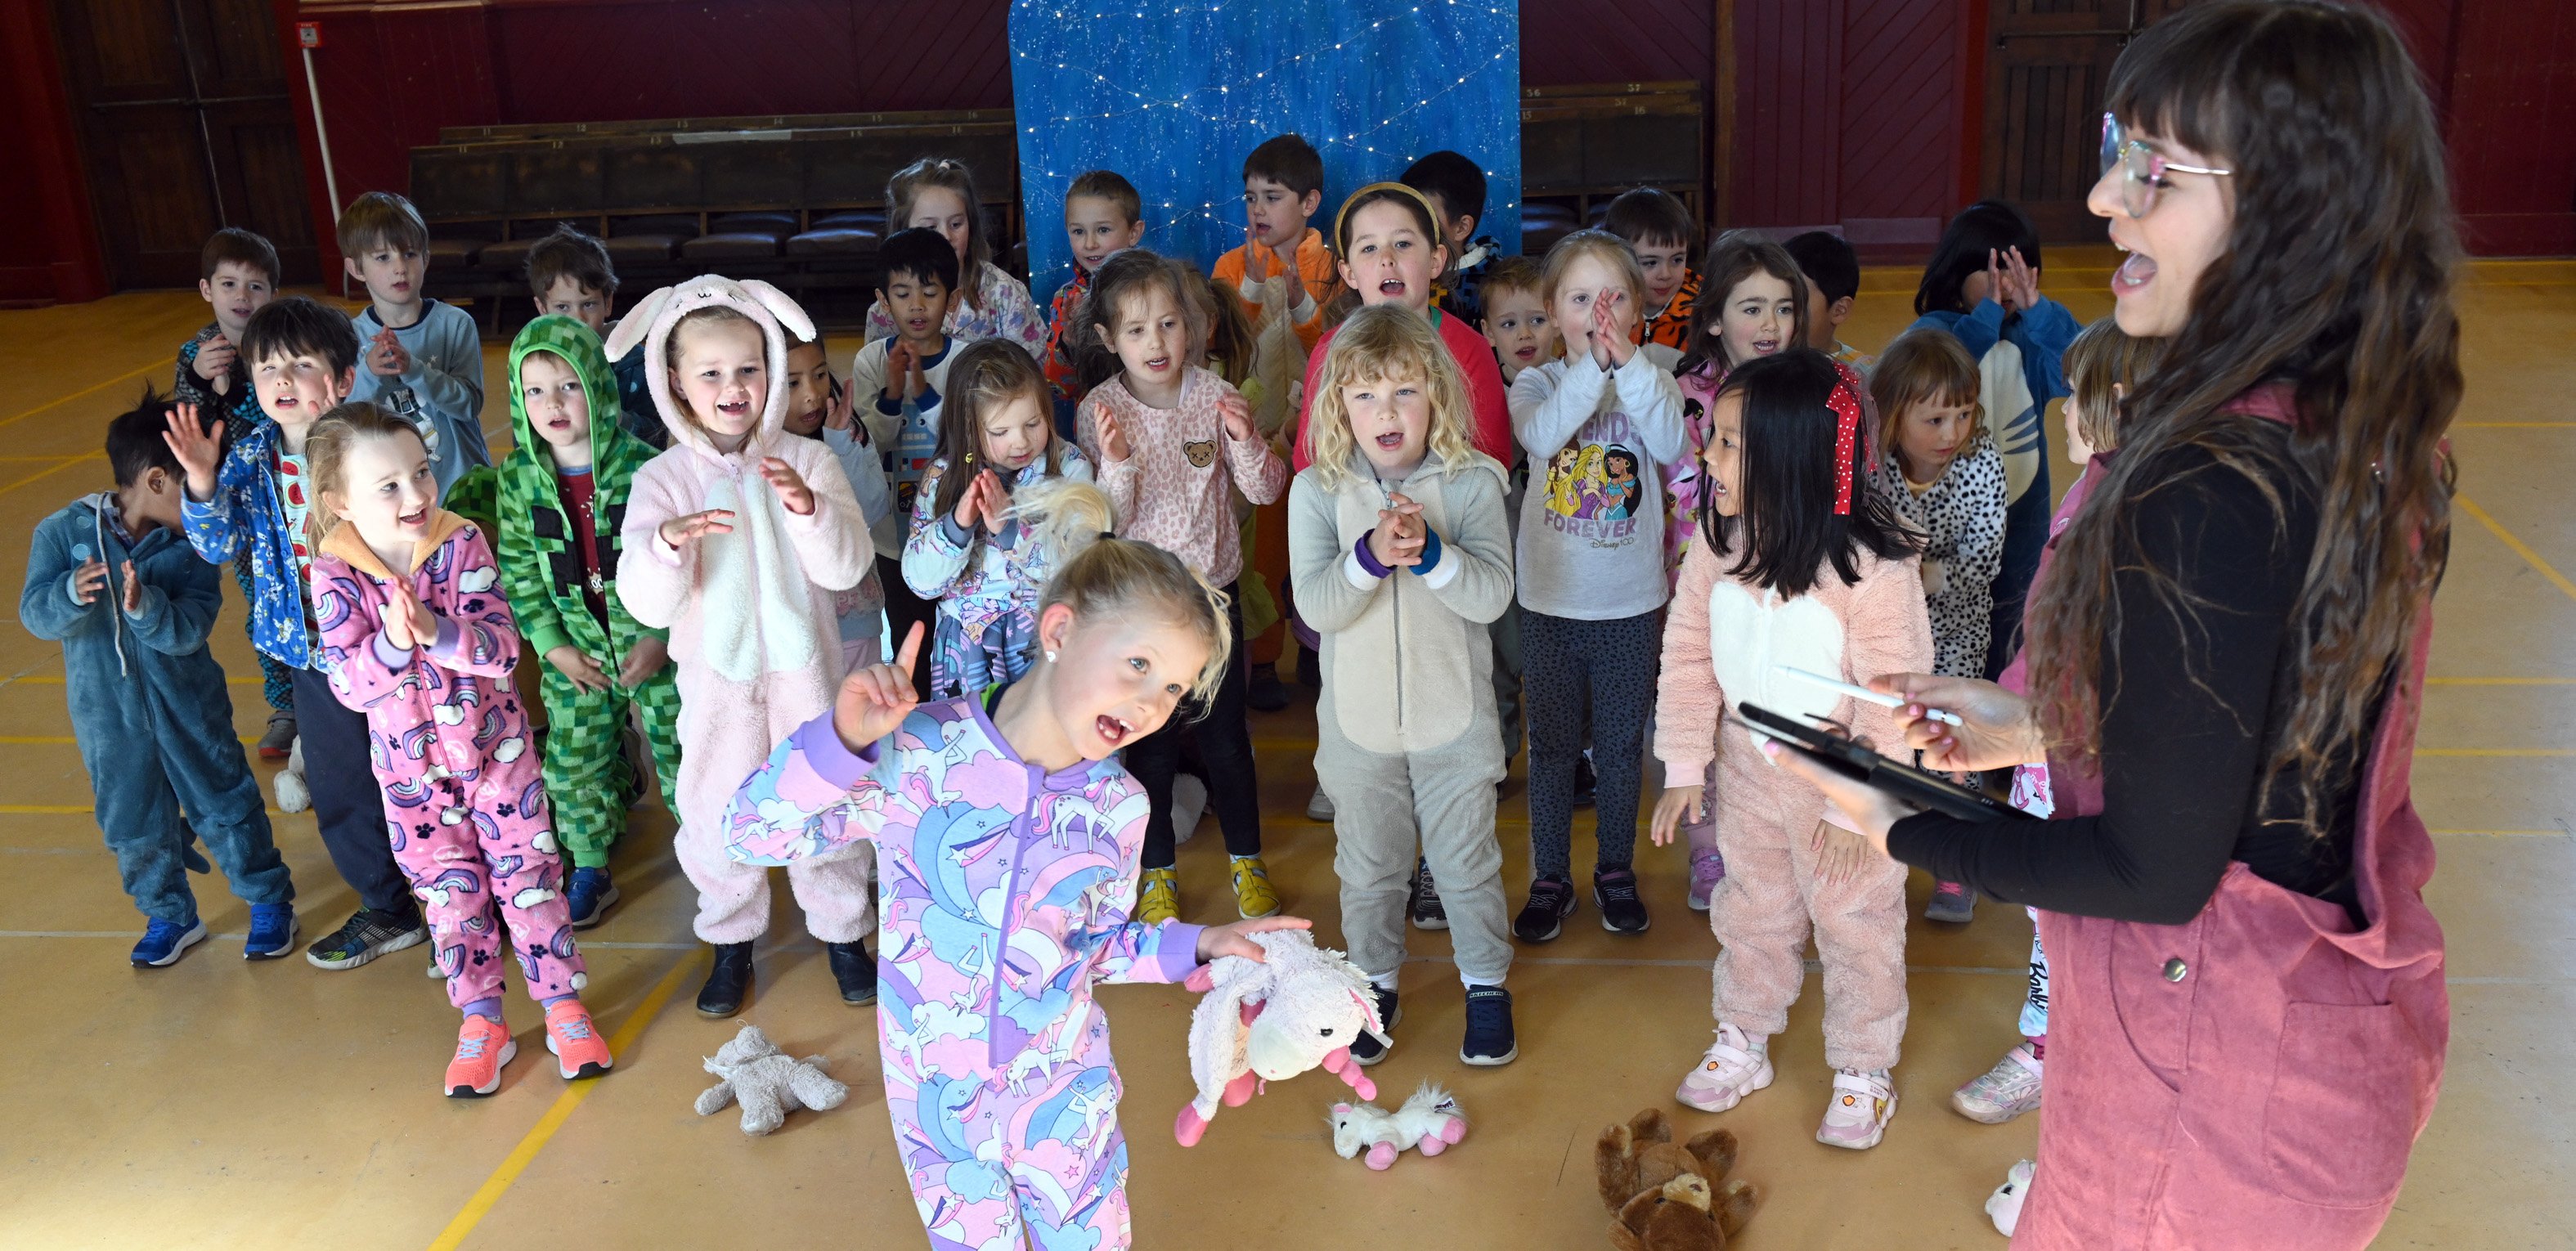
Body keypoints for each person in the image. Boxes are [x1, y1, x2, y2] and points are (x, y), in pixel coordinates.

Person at [1777, 4, 2458, 1242]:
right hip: (2297, 1059)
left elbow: (2154, 872)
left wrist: (1902, 825)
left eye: (2154, 167)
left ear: (2290, 208)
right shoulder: (2349, 424)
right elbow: (2261, 720)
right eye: (2115, 146)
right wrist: (2033, 719)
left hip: (2205, 1103)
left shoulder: (2211, 485)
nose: (2102, 197)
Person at [725, 538, 1307, 1251]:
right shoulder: (920, 752)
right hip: (940, 1117)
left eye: (1174, 688)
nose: (1153, 703)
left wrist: (1200, 944)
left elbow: (1098, 947)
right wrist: (842, 741)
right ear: (1059, 631)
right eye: (1139, 665)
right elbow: (750, 833)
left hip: (1065, 1109)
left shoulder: (1120, 808)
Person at [1651, 350, 1930, 1150]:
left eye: (1731, 442)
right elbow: (1690, 654)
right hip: (1748, 770)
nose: (1708, 453)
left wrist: (1863, 810)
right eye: (1714, 436)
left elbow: (1897, 703)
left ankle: (1862, 1068)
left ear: (1792, 457)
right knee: (1755, 910)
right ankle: (1744, 1036)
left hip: (1840, 788)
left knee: (1858, 922)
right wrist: (1683, 766)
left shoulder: (1872, 573)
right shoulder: (1719, 544)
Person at [298, 401, 613, 1096]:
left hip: (498, 758)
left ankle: (562, 1004)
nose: (415, 496)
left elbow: (502, 649)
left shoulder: (461, 541)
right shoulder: (334, 572)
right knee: (449, 896)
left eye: (421, 473)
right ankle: (481, 1019)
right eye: (389, 486)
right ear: (339, 502)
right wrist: (391, 640)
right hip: (413, 780)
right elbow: (349, 684)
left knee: (530, 877)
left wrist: (436, 629)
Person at [608, 276, 878, 1018]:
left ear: (772, 367)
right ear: (676, 384)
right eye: (712, 373)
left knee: (826, 799)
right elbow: (645, 602)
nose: (734, 386)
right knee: (715, 807)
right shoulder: (661, 480)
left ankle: (845, 932)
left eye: (750, 368)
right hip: (719, 687)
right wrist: (664, 548)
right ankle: (730, 940)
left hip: (808, 682)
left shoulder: (809, 459)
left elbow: (847, 566)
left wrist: (808, 510)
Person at [170, 297, 429, 971]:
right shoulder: (249, 457)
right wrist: (201, 484)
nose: (282, 381)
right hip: (311, 657)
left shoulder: (373, 448)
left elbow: (421, 523)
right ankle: (391, 907)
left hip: (393, 647)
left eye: (301, 365)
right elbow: (217, 542)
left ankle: (457, 898)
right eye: (267, 369)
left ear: (342, 380)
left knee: (422, 773)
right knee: (344, 788)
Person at [1291, 303, 1519, 1068]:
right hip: (1358, 731)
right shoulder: (1315, 493)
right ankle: (1374, 984)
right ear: (1337, 408)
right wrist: (1368, 554)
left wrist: (1429, 555)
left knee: (1464, 865)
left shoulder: (1476, 483)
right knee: (1368, 868)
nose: (1386, 412)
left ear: (1439, 397)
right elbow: (1317, 605)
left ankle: (1486, 985)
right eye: (1364, 395)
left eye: (1405, 392)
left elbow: (1490, 597)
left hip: (1454, 723)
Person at [1947, 314, 2159, 1132]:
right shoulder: (2090, 482)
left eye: (2072, 395)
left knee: (2089, 924)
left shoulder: (2134, 513)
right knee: (2049, 916)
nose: (2060, 411)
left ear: (2116, 400)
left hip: (2088, 766)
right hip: (2044, 755)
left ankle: (2090, 1058)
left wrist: (2016, 716)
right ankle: (2046, 1046)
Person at [22, 392, 296, 966]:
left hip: (189, 706)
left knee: (225, 803)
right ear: (153, 479)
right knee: (131, 820)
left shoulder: (194, 543)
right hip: (108, 718)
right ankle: (169, 912)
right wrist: (70, 594)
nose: (206, 495)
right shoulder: (59, 532)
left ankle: (269, 900)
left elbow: (190, 629)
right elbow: (35, 614)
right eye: (192, 481)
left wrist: (146, 607)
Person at [1075, 249, 1289, 925]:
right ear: (1110, 340)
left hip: (1211, 602)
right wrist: (1114, 464)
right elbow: (1103, 521)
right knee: (1151, 746)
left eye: (1169, 325)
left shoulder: (1215, 397)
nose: (1156, 343)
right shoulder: (1100, 409)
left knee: (1227, 739)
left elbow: (1264, 488)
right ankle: (1157, 870)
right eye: (1136, 331)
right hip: (1141, 609)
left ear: (1192, 326)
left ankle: (1246, 860)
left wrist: (1248, 440)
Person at [1508, 230, 1688, 940]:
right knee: (1550, 748)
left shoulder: (1655, 379)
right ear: (1554, 311)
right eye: (1581, 299)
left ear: (1638, 311)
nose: (1597, 314)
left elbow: (1673, 446)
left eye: (1612, 299)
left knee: (1619, 748)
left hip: (1630, 604)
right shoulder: (1537, 382)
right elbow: (1545, 438)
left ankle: (1617, 869)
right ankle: (1550, 875)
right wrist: (1593, 368)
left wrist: (1629, 364)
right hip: (1550, 602)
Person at [486, 315, 683, 929]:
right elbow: (518, 570)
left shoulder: (647, 468)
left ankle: (710, 855)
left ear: (597, 386)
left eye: (568, 385)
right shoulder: (518, 479)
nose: (553, 403)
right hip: (575, 651)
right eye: (536, 390)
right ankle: (591, 865)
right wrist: (550, 647)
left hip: (652, 648)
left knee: (687, 748)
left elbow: (687, 568)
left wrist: (662, 638)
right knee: (572, 761)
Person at [1905, 199, 2079, 678]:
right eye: (1992, 272)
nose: (2004, 286)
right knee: (1950, 624)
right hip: (1949, 525)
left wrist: (2040, 311)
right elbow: (1943, 367)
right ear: (1957, 274)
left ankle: (2000, 724)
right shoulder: (1934, 332)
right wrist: (1984, 317)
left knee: (2015, 621)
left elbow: (2079, 371)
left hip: (2022, 518)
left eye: (2018, 271)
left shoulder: (2030, 335)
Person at [1866, 331, 2005, 924]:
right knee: (1888, 734)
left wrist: (1925, 576)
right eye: (1935, 418)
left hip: (1957, 629)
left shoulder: (1981, 462)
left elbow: (1985, 560)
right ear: (1894, 418)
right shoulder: (1871, 463)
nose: (1952, 433)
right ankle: (1882, 855)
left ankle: (1956, 865)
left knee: (1953, 744)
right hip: (1885, 631)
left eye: (1964, 414)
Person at [904, 340, 1097, 698]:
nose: (1021, 441)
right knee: (979, 749)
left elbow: (1081, 565)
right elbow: (920, 582)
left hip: (1045, 637)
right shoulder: (942, 477)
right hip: (967, 648)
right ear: (968, 427)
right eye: (1000, 432)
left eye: (1033, 423)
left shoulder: (1069, 467)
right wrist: (956, 529)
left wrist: (1012, 530)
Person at [174, 226, 297, 760]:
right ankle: (286, 705)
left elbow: (272, 417)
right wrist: (201, 384)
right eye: (229, 284)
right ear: (207, 290)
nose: (242, 298)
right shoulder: (194, 354)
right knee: (265, 606)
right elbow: (187, 428)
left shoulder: (282, 347)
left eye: (255, 286)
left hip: (293, 495)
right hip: (241, 515)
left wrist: (238, 387)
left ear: (274, 293)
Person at [854, 227, 971, 701]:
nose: (917, 306)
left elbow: (967, 443)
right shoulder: (869, 362)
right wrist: (892, 395)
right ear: (884, 301)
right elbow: (865, 450)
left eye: (930, 292)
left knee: (960, 639)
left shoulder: (965, 361)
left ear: (954, 299)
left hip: (954, 531)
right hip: (892, 536)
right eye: (903, 294)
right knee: (910, 641)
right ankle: (917, 725)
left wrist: (924, 393)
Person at [338, 191, 489, 495]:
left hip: (461, 485)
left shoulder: (455, 324)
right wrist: (367, 373)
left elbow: (469, 405)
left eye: (409, 254)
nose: (400, 267)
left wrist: (415, 370)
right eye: (383, 257)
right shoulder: (350, 336)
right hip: (393, 492)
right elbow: (347, 424)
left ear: (426, 259)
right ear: (356, 269)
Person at [783, 326, 896, 674]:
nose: (812, 394)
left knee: (860, 720)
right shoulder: (760, 454)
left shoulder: (848, 434)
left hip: (853, 625)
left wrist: (839, 446)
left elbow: (874, 508)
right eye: (793, 383)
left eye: (819, 375)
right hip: (794, 633)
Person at [864, 157, 1045, 361]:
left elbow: (1034, 369)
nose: (946, 236)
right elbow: (876, 378)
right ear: (903, 232)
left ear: (971, 224)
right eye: (931, 227)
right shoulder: (884, 313)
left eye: (956, 224)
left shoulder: (1005, 293)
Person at [523, 223, 664, 450]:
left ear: (607, 303)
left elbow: (660, 436)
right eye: (563, 307)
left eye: (588, 304)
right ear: (543, 309)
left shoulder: (635, 363)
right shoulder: (534, 363)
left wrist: (617, 418)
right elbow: (522, 440)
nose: (578, 319)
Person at [1214, 133, 1338, 356]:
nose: (1257, 210)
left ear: (1309, 203)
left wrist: (1302, 308)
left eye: (1271, 198)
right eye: (1251, 198)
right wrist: (1251, 290)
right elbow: (1219, 348)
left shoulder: (1334, 272)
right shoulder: (1231, 266)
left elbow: (1336, 359)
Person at [1046, 169, 1147, 430]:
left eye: (1102, 230)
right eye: (1078, 231)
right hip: (1097, 430)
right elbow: (1059, 387)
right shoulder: (1067, 300)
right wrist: (1069, 343)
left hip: (1156, 422)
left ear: (1134, 233)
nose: (1090, 243)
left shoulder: (1156, 289)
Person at [1403, 150, 1503, 327]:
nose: (1409, 228)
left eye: (1425, 217)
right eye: (1405, 215)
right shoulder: (1394, 273)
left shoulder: (1494, 289)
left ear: (1462, 228)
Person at [1602, 188, 1699, 351]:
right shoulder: (1601, 312)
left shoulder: (1703, 314)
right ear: (1617, 260)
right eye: (1650, 263)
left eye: (1677, 260)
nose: (1666, 275)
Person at [1781, 230, 1875, 373]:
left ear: (1839, 310)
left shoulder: (1862, 378)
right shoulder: (1754, 361)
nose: (1779, 313)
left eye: (1798, 298)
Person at [1479, 257, 1556, 387]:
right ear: (1490, 333)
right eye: (1509, 324)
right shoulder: (1483, 391)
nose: (1524, 334)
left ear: (1557, 321)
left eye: (1537, 320)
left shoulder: (1575, 381)